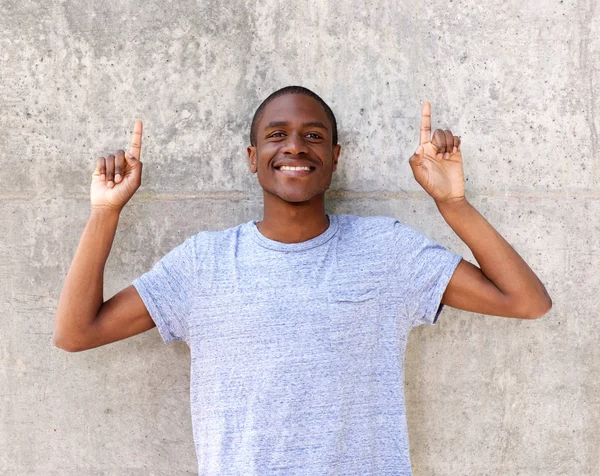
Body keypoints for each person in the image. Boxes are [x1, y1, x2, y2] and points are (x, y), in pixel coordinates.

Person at [53, 85, 552, 475]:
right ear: (253, 158)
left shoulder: (388, 251)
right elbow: (77, 333)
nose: (295, 145)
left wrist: (453, 204)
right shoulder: (203, 263)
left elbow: (525, 301)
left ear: (335, 156)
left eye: (314, 135)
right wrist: (104, 213)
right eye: (276, 134)